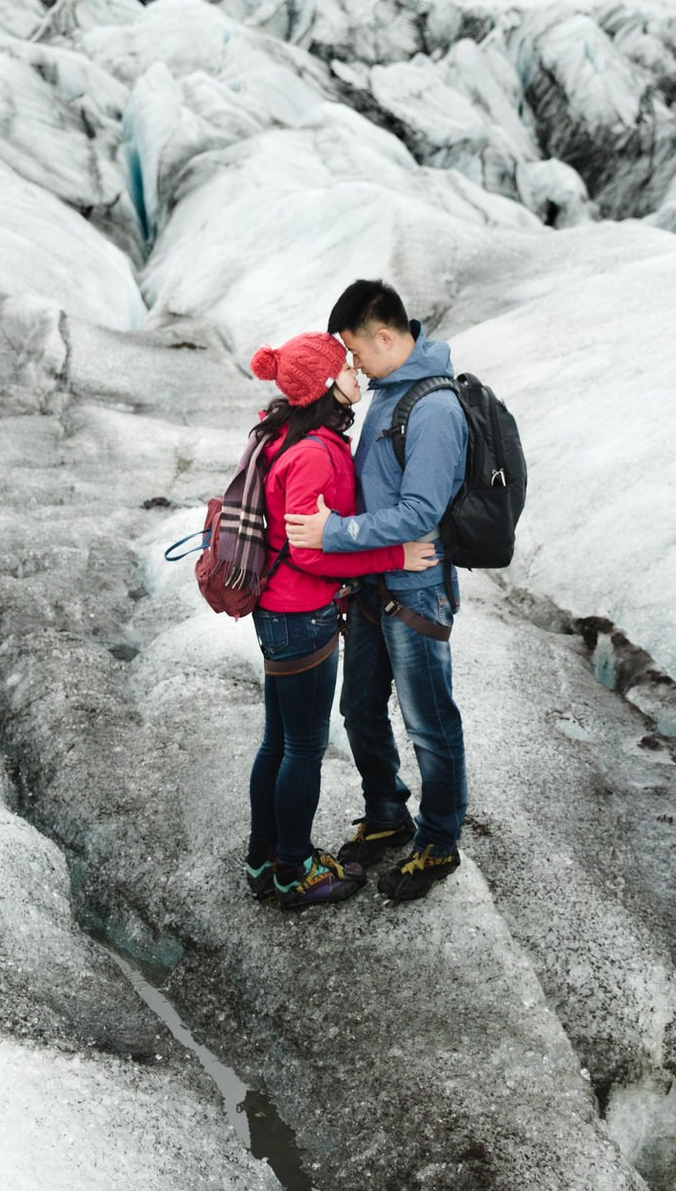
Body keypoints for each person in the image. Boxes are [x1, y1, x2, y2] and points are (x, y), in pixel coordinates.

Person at [283, 279, 469, 902]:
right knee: (359, 709)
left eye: (357, 351)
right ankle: (388, 813)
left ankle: (438, 841)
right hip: (372, 584)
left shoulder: (434, 408)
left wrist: (334, 533)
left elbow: (419, 511)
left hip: (415, 592)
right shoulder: (389, 392)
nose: (354, 364)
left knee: (429, 723)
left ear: (385, 337)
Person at [242, 330, 440, 911]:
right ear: (326, 385)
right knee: (302, 748)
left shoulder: (287, 434)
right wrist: (394, 556)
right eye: (347, 366)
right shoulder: (313, 452)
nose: (358, 372)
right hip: (300, 614)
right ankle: (294, 870)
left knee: (279, 741)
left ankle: (264, 857)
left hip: (281, 611)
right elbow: (309, 551)